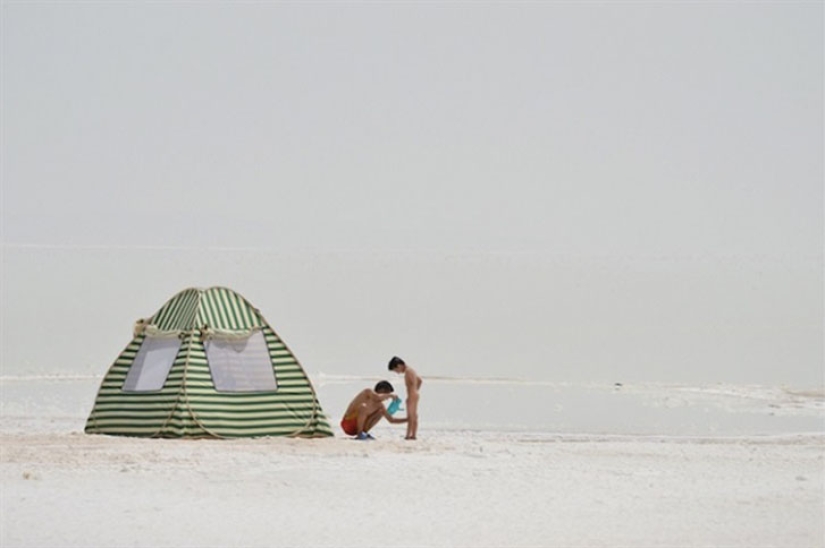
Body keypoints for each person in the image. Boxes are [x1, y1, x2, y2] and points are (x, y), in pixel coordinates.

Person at [340, 380, 407, 440]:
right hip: (348, 424)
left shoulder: (380, 405)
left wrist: (409, 419)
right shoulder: (368, 392)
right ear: (382, 391)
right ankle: (360, 433)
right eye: (387, 393)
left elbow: (391, 420)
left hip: (357, 428)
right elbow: (377, 397)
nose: (386, 399)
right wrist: (390, 395)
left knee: (381, 411)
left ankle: (364, 433)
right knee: (363, 407)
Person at [388, 356, 422, 440]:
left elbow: (414, 383)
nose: (397, 372)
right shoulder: (411, 370)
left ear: (399, 365)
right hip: (415, 394)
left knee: (410, 416)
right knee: (414, 415)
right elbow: (420, 380)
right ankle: (413, 434)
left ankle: (408, 435)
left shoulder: (408, 371)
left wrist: (412, 394)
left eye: (396, 370)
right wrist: (416, 390)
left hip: (412, 395)